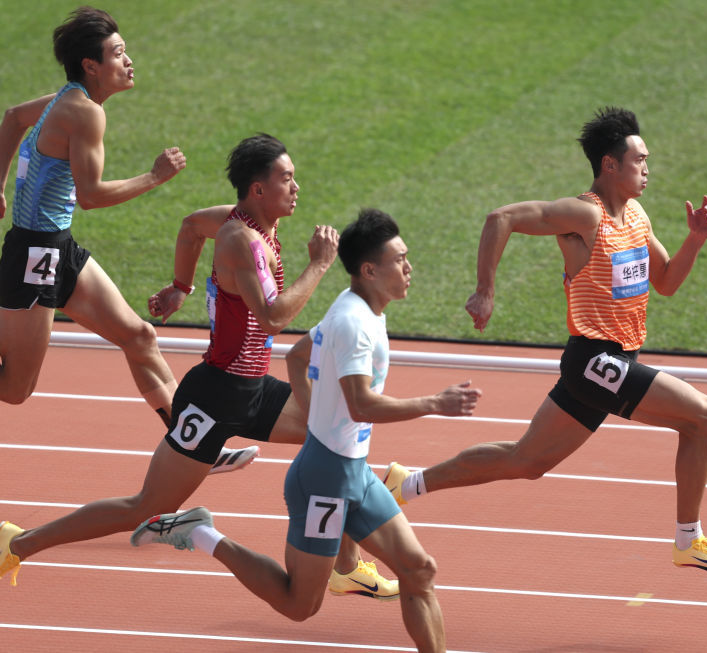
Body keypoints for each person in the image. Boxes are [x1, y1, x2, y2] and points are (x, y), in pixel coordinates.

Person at [1, 135, 392, 597]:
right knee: (144, 507)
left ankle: (344, 566)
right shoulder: (241, 240)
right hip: (214, 399)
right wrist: (320, 265)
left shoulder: (238, 221)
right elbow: (273, 317)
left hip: (252, 389)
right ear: (258, 189)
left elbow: (189, 227)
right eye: (287, 178)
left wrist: (180, 287)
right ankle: (17, 543)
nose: (296, 187)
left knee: (338, 438)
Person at [382, 107, 707, 572]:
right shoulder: (585, 214)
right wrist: (485, 290)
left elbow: (667, 282)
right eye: (639, 160)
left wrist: (694, 240)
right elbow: (501, 218)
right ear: (609, 165)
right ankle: (688, 540)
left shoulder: (636, 215)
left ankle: (405, 484)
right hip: (595, 360)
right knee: (704, 418)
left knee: (525, 460)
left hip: (612, 362)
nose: (647, 169)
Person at [130, 209, 481, 653]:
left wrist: (320, 421)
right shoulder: (354, 324)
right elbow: (360, 404)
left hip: (353, 471)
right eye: (400, 260)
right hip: (324, 483)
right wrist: (435, 403)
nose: (409, 267)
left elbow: (297, 356)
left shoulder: (362, 308)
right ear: (369, 270)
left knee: (419, 570)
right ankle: (201, 533)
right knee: (299, 605)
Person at [0, 6, 185, 427]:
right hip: (36, 255)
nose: (129, 60)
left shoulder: (66, 99)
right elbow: (91, 196)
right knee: (14, 388)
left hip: (56, 247)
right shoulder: (84, 111)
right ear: (91, 66)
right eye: (118, 54)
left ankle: (192, 444)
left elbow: (12, 118)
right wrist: (154, 177)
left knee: (139, 336)